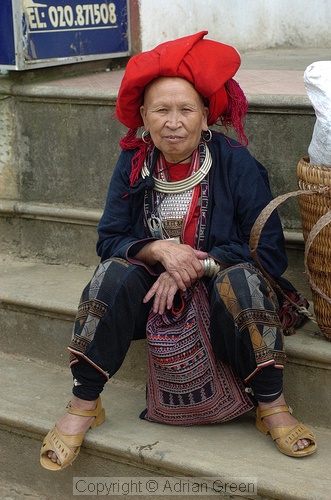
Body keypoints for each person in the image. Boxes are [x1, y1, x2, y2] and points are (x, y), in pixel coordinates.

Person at [40, 31, 317, 471]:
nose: (174, 122)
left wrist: (192, 265)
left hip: (223, 289)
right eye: (161, 110)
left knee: (242, 279)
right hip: (155, 294)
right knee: (111, 274)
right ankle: (84, 403)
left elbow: (266, 250)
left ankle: (272, 405)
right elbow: (109, 237)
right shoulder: (133, 164)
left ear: (205, 117)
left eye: (186, 109)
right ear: (144, 118)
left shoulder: (235, 162)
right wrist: (158, 251)